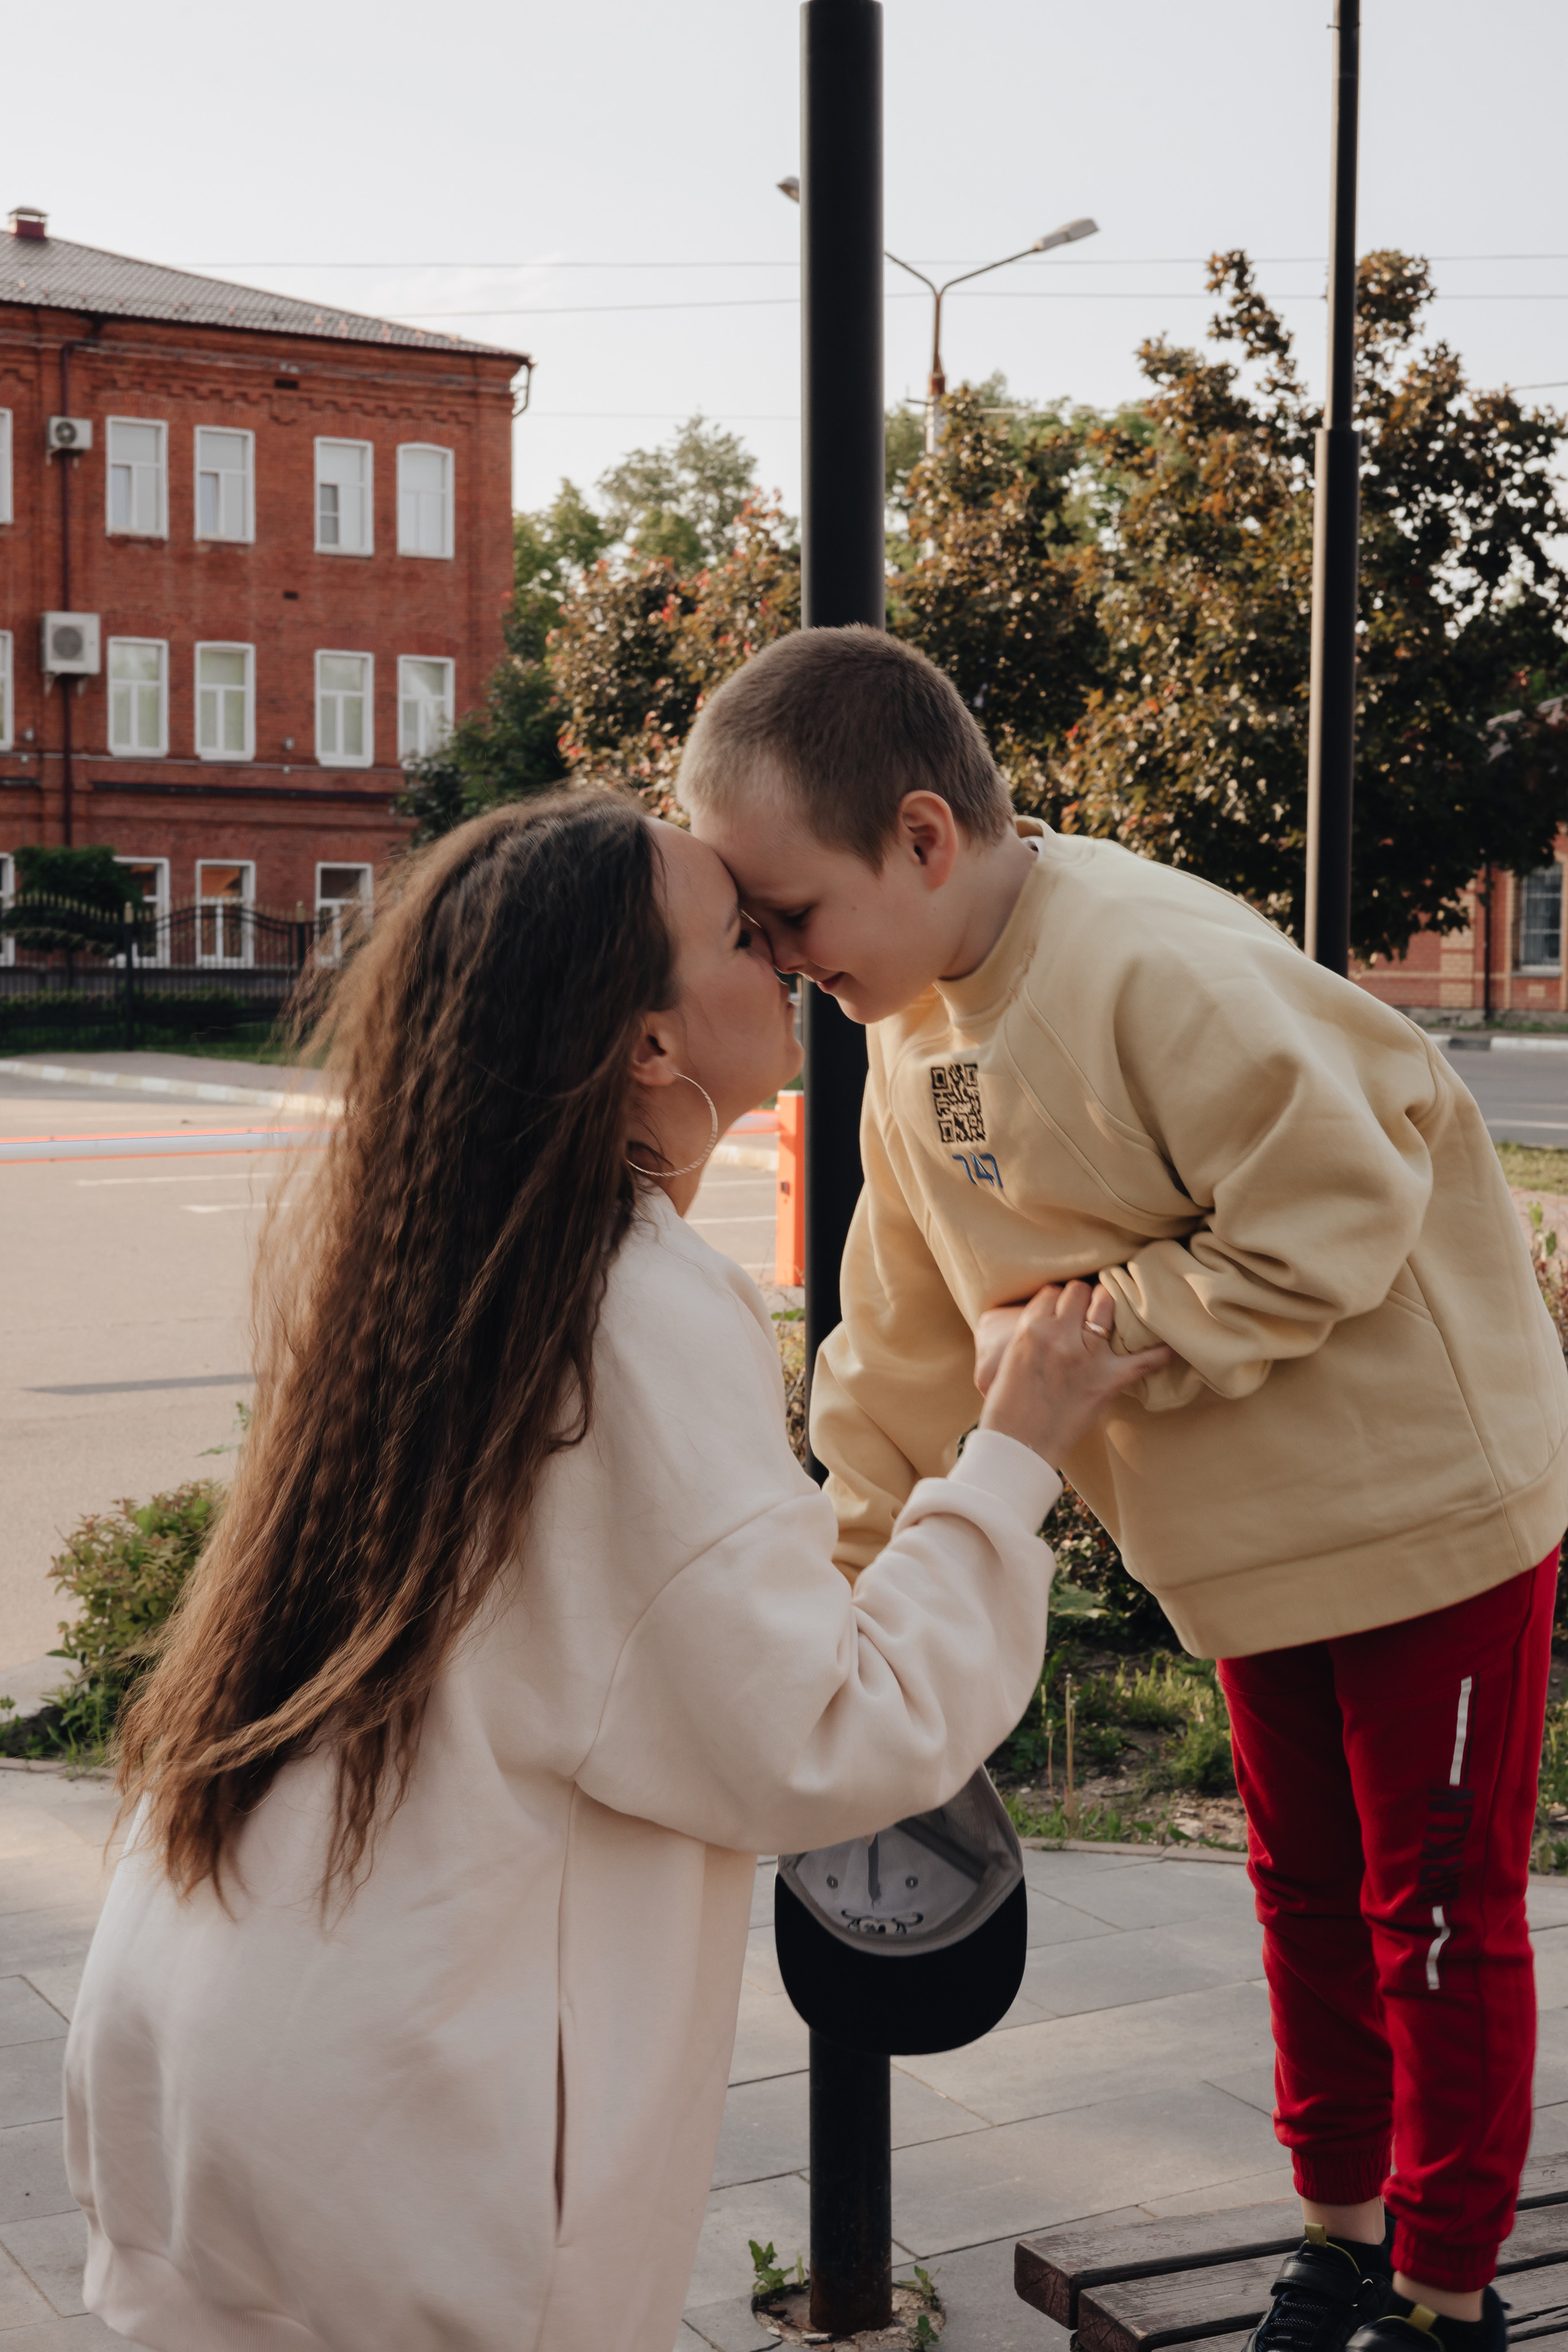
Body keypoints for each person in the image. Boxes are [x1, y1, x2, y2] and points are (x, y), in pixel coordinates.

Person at [62, 791, 1166, 2352]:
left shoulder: (442, 1262)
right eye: (736, 934)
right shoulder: (632, 1306)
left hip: (219, 2047)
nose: (780, 952)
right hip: (418, 2144)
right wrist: (1013, 1453)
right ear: (646, 1042)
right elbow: (819, 1736)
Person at [679, 627, 1568, 2352]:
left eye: (791, 913)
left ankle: (1449, 2299)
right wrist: (854, 1598)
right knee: (1305, 1894)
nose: (779, 957)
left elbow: (1336, 1206)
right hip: (1248, 1547)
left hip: (1426, 1514)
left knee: (1437, 1918)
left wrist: (1098, 1338)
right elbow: (906, 1338)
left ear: (924, 841)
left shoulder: (1152, 963)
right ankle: (1340, 2236)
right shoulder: (914, 1028)